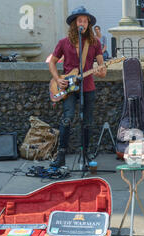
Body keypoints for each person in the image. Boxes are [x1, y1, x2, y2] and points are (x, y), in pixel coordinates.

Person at [49, 6, 106, 167]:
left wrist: (101, 71)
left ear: (88, 23)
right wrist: (57, 79)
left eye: (85, 21)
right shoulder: (63, 42)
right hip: (67, 87)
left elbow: (102, 67)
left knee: (87, 122)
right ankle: (61, 155)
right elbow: (52, 62)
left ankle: (86, 153)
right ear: (74, 23)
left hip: (88, 88)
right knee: (67, 119)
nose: (83, 23)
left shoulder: (94, 43)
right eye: (80, 20)